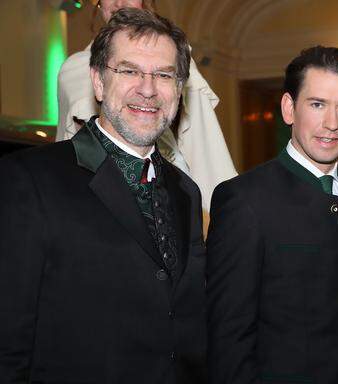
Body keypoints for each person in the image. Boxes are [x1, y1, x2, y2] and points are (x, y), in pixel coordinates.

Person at [0, 9, 206, 382]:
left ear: (179, 90)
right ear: (97, 82)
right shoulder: (29, 180)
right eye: (128, 71)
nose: (148, 88)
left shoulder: (186, 192)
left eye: (163, 75)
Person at [206, 46, 338, 384]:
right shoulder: (244, 200)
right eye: (317, 104)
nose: (332, 124)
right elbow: (228, 340)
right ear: (289, 108)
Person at [57, 0, 236, 220]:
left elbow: (201, 140)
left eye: (163, 75)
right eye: (129, 71)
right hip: (93, 192)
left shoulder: (174, 55)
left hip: (166, 185)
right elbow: (69, 142)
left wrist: (221, 207)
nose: (119, 2)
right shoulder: (74, 69)